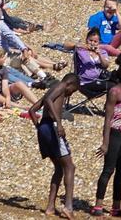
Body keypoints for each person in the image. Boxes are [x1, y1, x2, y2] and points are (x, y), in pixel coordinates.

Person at [34, 74, 84, 219]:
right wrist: (59, 123)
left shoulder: (51, 89)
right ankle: (68, 207)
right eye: (73, 90)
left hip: (44, 127)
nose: (70, 94)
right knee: (69, 167)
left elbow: (32, 110)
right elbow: (49, 101)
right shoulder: (61, 86)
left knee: (58, 168)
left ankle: (50, 207)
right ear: (70, 84)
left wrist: (39, 128)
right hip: (52, 127)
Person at [98, 62, 121, 217]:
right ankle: (98, 204)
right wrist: (105, 143)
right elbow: (108, 119)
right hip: (114, 134)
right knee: (108, 170)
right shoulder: (115, 92)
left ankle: (116, 206)